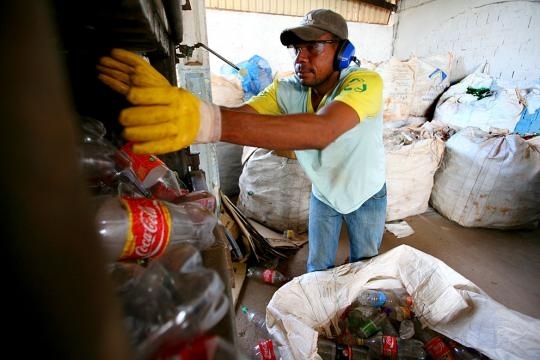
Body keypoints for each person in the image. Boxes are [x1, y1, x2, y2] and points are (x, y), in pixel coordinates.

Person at [97, 8, 387, 272]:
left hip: (365, 192)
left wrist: (206, 122)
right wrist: (185, 106)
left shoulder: (363, 82)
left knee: (364, 265)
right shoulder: (286, 89)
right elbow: (240, 117)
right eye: (297, 48)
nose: (300, 58)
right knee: (318, 265)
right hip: (324, 192)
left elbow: (323, 130)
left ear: (342, 53)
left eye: (313, 47)